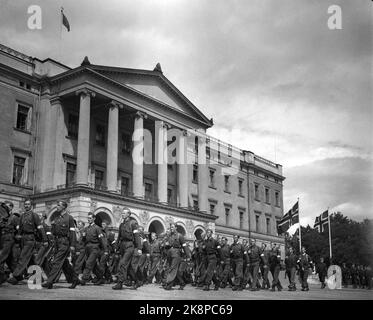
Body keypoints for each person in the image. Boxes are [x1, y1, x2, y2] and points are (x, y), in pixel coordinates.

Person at [8, 199, 48, 285]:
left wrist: (45, 240)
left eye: (28, 204)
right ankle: (38, 278)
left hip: (30, 238)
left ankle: (16, 276)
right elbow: (20, 228)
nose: (26, 206)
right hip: (23, 239)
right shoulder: (22, 216)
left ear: (31, 206)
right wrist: (18, 236)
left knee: (23, 258)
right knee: (30, 260)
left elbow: (40, 228)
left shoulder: (34, 215)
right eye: (25, 204)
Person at [41, 200, 78, 289]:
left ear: (64, 207)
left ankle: (50, 281)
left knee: (56, 262)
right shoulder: (57, 218)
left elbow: (72, 232)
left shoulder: (69, 218)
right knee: (64, 263)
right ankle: (75, 279)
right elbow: (53, 232)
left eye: (58, 205)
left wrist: (73, 245)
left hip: (65, 243)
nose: (57, 206)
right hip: (57, 243)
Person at [112, 207, 141, 290]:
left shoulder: (133, 223)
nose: (122, 214)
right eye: (122, 213)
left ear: (128, 214)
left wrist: (139, 248)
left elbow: (136, 236)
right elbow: (119, 238)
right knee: (128, 267)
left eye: (124, 213)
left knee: (123, 263)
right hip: (122, 245)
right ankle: (136, 281)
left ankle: (120, 283)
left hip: (130, 245)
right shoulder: (121, 224)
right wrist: (116, 247)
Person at [163, 223, 191, 290]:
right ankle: (182, 283)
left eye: (172, 227)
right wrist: (166, 244)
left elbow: (184, 246)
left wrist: (188, 256)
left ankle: (169, 284)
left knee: (173, 269)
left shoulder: (179, 236)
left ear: (176, 228)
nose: (171, 228)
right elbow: (165, 245)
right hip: (169, 253)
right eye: (170, 227)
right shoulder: (169, 236)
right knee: (172, 269)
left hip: (176, 254)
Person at [0, 201, 19, 284]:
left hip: (9, 239)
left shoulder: (14, 217)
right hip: (3, 238)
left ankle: (1, 277)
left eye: (6, 207)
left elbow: (19, 229)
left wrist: (17, 239)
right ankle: (18, 277)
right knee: (10, 260)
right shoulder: (2, 216)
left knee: (2, 257)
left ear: (11, 207)